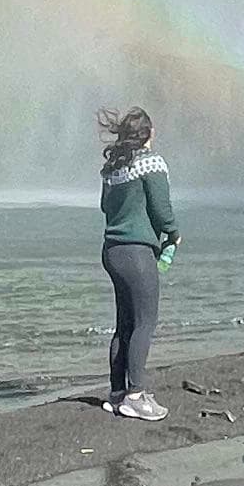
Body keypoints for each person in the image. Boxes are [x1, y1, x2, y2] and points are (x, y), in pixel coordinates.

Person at [96, 105, 177, 420]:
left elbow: (106, 208)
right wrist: (173, 232)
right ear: (148, 134)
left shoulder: (112, 170)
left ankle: (117, 393)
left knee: (124, 325)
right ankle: (136, 396)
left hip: (112, 251)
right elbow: (161, 206)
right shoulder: (152, 163)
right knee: (145, 323)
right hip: (137, 253)